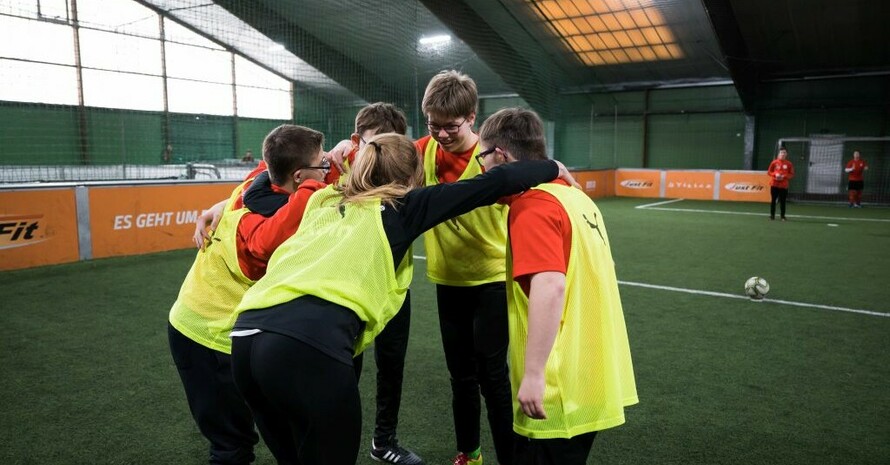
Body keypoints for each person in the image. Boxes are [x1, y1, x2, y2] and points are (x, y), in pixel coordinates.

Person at [227, 133, 577, 465]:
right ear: (412, 177)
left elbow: (258, 194)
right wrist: (552, 167)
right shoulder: (402, 206)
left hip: (245, 339)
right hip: (308, 344)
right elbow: (491, 184)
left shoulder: (322, 198)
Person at [477, 108, 638, 465]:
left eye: (482, 157)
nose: (480, 168)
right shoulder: (577, 198)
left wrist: (534, 374)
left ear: (500, 156)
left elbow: (550, 286)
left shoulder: (532, 207)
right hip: (590, 375)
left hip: (556, 385)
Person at [169, 124, 327, 465]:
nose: (326, 170)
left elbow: (271, 170)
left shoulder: (260, 180)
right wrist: (315, 186)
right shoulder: (258, 229)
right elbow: (269, 239)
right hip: (206, 336)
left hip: (235, 336)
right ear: (299, 177)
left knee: (281, 423)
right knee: (232, 445)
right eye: (321, 165)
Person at [767, 147, 794, 221]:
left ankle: (783, 216)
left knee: (783, 201)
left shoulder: (789, 164)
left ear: (786, 154)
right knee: (773, 200)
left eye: (784, 152)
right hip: (774, 184)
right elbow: (769, 172)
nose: (783, 154)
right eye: (781, 152)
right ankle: (772, 216)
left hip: (784, 185)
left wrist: (784, 176)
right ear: (779, 154)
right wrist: (775, 175)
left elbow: (791, 174)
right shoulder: (774, 162)